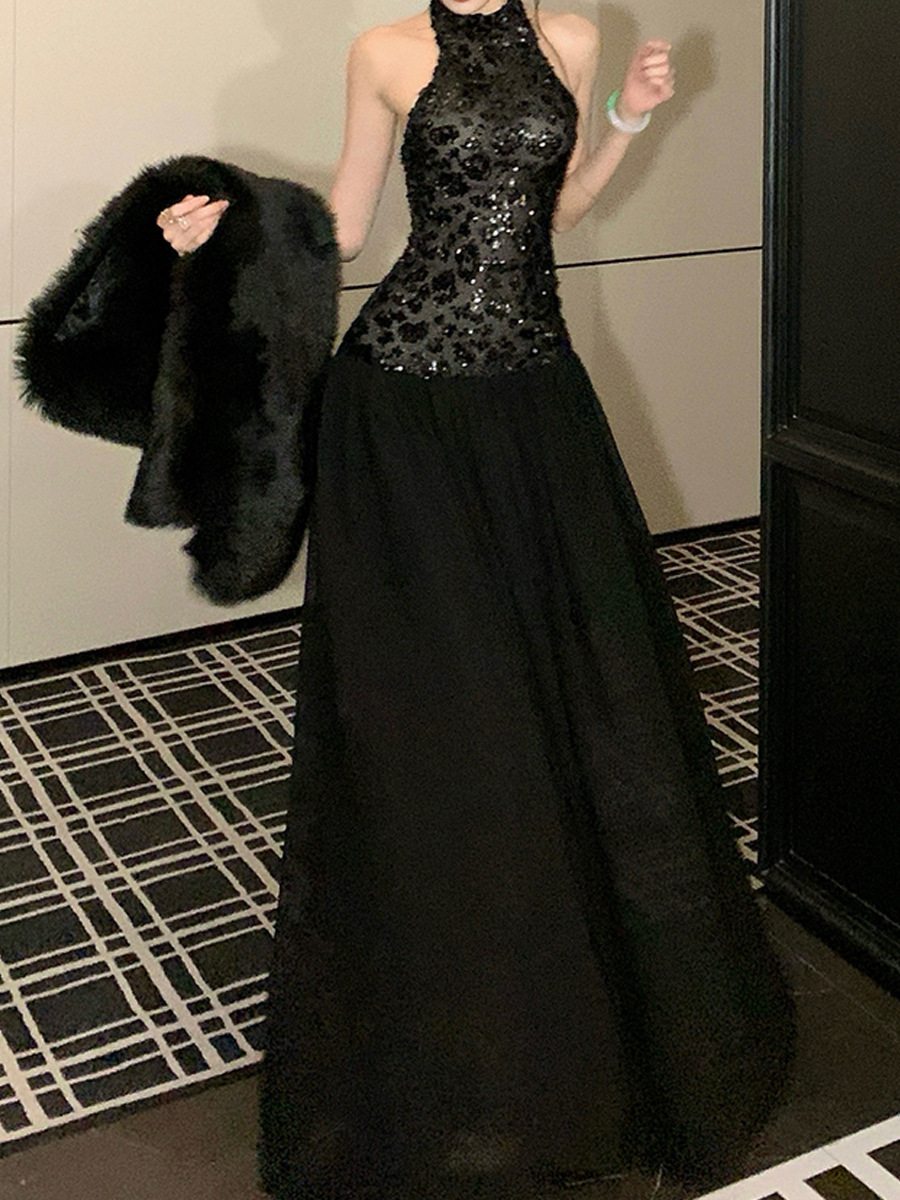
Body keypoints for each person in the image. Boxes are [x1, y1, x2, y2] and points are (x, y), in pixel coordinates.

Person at [159, 3, 795, 1197]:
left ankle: (577, 985)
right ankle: (452, 989)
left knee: (581, 669)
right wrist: (232, 236)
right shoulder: (384, 51)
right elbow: (348, 226)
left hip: (534, 399)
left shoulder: (573, 37)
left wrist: (627, 120)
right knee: (444, 695)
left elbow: (562, 210)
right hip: (403, 404)